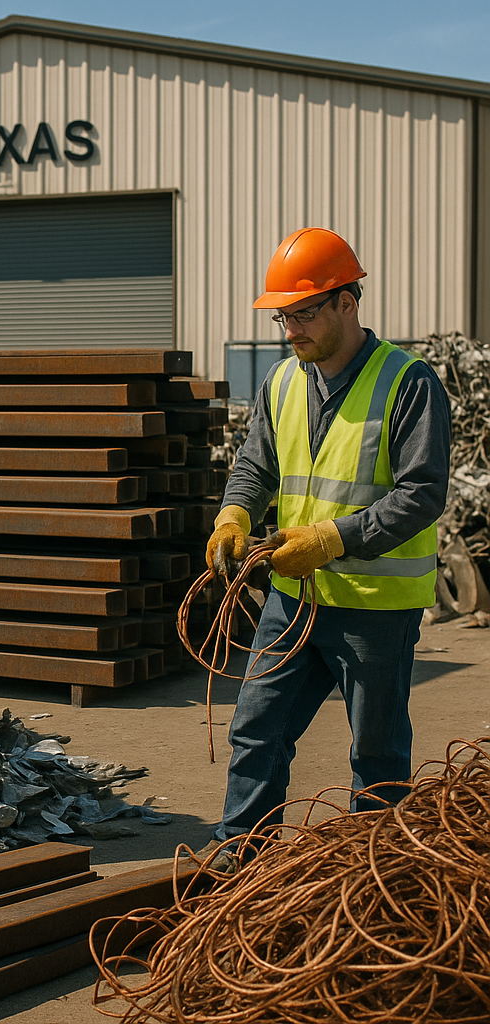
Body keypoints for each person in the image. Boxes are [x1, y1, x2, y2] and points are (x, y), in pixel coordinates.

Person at [203, 227, 450, 872]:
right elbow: (257, 467)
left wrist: (333, 539)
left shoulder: (409, 383)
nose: (291, 329)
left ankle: (380, 886)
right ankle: (236, 874)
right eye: (283, 315)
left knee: (377, 756)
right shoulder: (284, 381)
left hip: (375, 607)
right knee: (256, 732)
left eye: (304, 312)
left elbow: (422, 495)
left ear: (349, 301)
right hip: (293, 600)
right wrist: (234, 512)